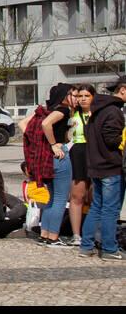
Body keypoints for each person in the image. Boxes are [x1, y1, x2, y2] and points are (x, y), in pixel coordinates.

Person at [79, 81, 125, 260]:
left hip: (96, 165)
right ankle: (109, 248)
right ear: (123, 90)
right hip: (110, 166)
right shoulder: (113, 111)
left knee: (97, 207)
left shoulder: (97, 109)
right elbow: (112, 139)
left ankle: (86, 245)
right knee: (110, 209)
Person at [38, 84, 78, 247]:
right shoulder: (64, 110)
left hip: (49, 157)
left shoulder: (54, 109)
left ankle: (45, 235)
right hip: (60, 154)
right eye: (74, 95)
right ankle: (53, 237)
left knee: (52, 198)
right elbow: (46, 124)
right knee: (61, 199)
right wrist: (54, 144)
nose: (76, 99)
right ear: (66, 96)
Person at [67, 85, 95, 242]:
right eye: (80, 96)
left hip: (95, 152)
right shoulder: (72, 114)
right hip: (78, 153)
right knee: (77, 195)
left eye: (86, 95)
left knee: (94, 196)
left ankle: (94, 232)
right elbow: (66, 136)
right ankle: (76, 234)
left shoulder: (98, 114)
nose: (83, 99)